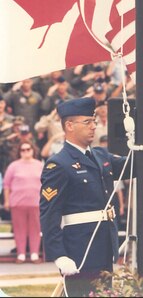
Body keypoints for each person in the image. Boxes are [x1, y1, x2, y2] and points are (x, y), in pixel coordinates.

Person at [39, 97, 132, 297]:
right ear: (69, 125)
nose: (93, 127)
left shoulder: (100, 155)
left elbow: (132, 167)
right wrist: (59, 255)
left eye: (94, 121)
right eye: (87, 122)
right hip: (79, 246)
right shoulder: (59, 164)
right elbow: (49, 214)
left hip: (105, 242)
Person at [3, 141, 43, 264]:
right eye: (23, 150)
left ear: (33, 150)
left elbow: (46, 183)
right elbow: (6, 185)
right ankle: (20, 254)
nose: (26, 152)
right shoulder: (13, 166)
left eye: (28, 149)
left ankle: (34, 255)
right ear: (19, 152)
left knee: (35, 229)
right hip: (18, 203)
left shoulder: (40, 165)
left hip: (36, 203)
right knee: (19, 229)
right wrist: (6, 201)